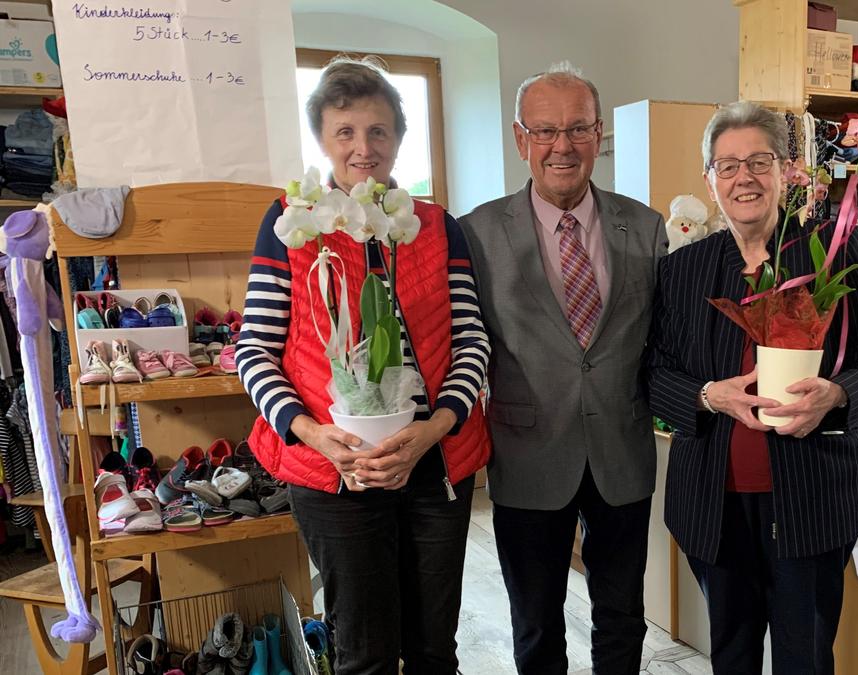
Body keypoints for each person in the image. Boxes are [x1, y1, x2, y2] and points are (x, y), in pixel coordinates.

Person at [235, 57, 491, 675]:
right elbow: (254, 351)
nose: (363, 147)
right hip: (334, 471)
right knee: (364, 654)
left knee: (435, 649)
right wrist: (315, 434)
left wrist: (434, 430)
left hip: (434, 466)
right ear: (322, 139)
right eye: (345, 131)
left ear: (399, 138)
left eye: (379, 131)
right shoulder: (291, 224)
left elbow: (472, 341)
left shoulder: (432, 226)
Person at [646, 101, 858, 674]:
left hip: (815, 498)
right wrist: (709, 395)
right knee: (731, 654)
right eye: (727, 165)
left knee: (804, 657)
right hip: (715, 502)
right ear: (710, 182)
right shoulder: (683, 271)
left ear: (786, 170)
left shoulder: (833, 251)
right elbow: (655, 373)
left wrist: (836, 396)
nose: (745, 177)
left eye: (759, 161)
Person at [458, 62, 668, 675]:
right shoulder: (476, 233)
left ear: (599, 136)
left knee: (624, 616)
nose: (562, 146)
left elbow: (660, 340)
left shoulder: (646, 226)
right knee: (537, 622)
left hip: (621, 450)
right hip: (527, 453)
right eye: (545, 131)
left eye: (578, 129)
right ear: (521, 139)